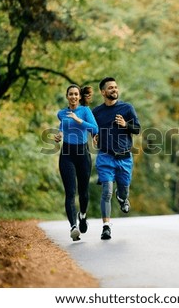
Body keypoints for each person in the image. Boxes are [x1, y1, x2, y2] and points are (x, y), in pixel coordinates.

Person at [92, 77, 141, 240]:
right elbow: (91, 128)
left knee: (123, 190)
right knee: (107, 192)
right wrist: (94, 135)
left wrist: (125, 125)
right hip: (105, 157)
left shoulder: (127, 108)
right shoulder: (96, 112)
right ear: (103, 92)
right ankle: (106, 227)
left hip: (125, 158)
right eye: (110, 88)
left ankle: (123, 198)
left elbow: (137, 129)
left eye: (116, 87)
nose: (114, 90)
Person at [55, 84, 98, 241]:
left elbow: (95, 128)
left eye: (76, 94)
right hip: (66, 154)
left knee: (83, 192)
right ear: (67, 96)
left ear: (79, 97)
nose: (73, 96)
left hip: (82, 154)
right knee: (70, 192)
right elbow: (63, 125)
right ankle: (73, 227)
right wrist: (59, 134)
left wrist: (79, 120)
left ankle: (83, 215)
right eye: (70, 94)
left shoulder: (85, 111)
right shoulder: (61, 113)